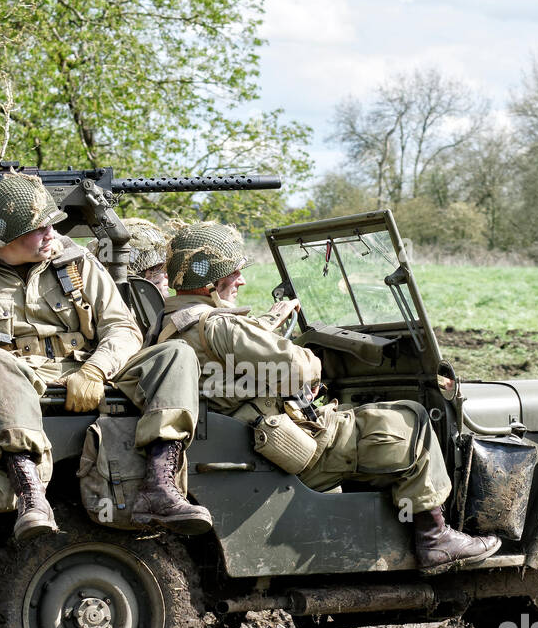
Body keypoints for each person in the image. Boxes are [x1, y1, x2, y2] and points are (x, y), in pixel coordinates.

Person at [157, 222, 501, 574]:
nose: (241, 281)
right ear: (210, 281)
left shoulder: (170, 320)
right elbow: (298, 369)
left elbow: (229, 351)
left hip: (239, 438)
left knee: (361, 421)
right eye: (234, 273)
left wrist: (264, 326)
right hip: (284, 448)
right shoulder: (220, 326)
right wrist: (306, 355)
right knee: (409, 418)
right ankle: (435, 538)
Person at [0, 174, 212, 541]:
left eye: (51, 224)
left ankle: (160, 485)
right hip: (19, 387)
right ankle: (30, 497)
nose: (51, 233)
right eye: (39, 228)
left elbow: (123, 330)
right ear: (5, 239)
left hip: (93, 376)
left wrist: (94, 369)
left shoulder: (79, 264)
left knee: (176, 355)